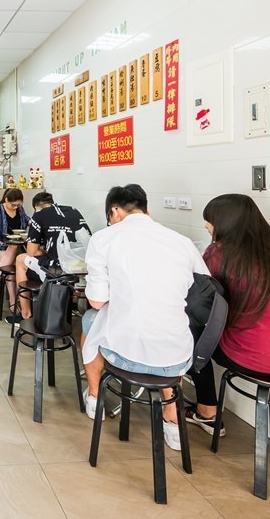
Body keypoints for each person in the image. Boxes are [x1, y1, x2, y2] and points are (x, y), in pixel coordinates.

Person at [79, 184, 209, 451]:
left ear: (115, 211)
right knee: (167, 328)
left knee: (91, 319)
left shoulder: (104, 239)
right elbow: (203, 292)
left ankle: (94, 398)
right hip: (177, 359)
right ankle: (172, 420)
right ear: (146, 210)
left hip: (126, 355)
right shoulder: (181, 241)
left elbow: (97, 301)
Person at [185, 193, 270, 436]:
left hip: (255, 356)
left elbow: (197, 297)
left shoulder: (219, 253)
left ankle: (207, 411)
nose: (206, 226)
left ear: (225, 222)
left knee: (190, 332)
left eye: (210, 220)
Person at [12, 191, 91, 323]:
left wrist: (46, 251)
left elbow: (32, 251)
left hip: (57, 273)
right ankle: (72, 305)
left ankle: (25, 314)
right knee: (71, 265)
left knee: (20, 259)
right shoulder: (74, 211)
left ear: (36, 207)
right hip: (82, 272)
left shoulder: (39, 214)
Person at [0, 188, 29, 314]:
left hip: (17, 248)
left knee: (11, 262)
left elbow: (27, 220)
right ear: (6, 200)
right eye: (13, 205)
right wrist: (0, 236)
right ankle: (13, 303)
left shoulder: (20, 210)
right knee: (12, 252)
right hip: (0, 248)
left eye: (18, 205)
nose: (16, 207)